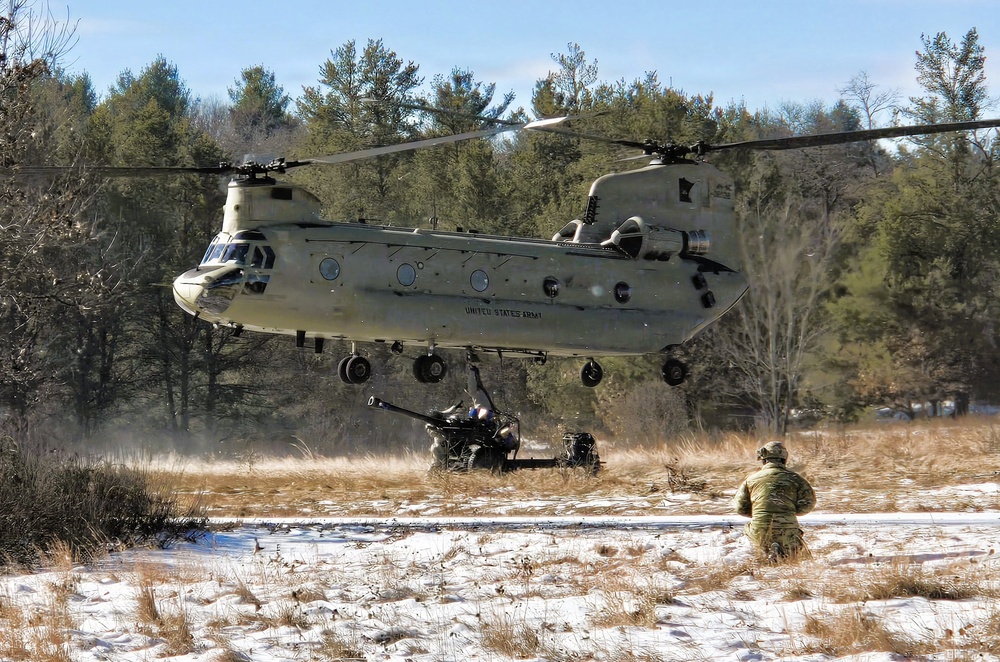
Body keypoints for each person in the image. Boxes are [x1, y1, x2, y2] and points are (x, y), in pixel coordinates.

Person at [733, 441, 816, 560]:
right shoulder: (796, 479)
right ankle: (783, 550)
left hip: (759, 530)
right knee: (798, 556)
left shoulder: (751, 480)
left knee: (751, 532)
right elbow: (808, 504)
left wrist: (759, 511)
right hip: (787, 530)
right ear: (784, 458)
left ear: (763, 459)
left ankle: (766, 551)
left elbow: (740, 508)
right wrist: (789, 510)